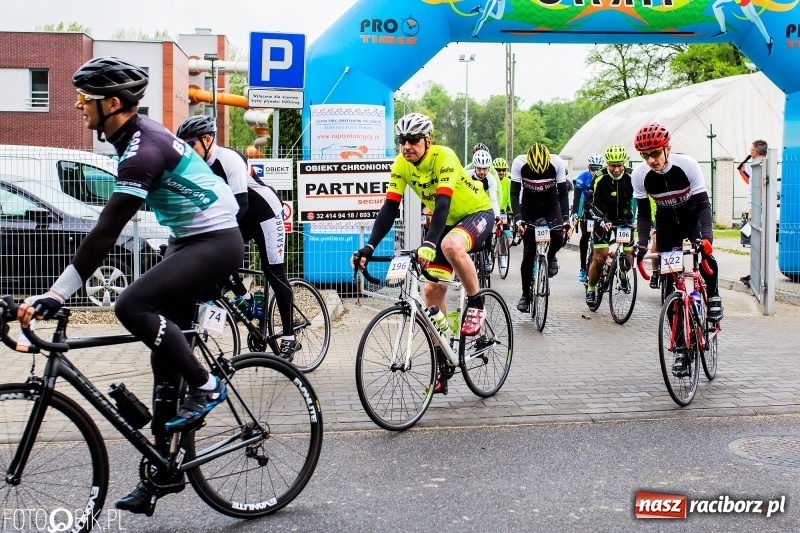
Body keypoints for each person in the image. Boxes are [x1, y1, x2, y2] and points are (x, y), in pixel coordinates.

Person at [16, 57, 245, 514]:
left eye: (85, 98)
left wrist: (57, 293)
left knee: (130, 305)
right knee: (163, 364)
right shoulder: (128, 140)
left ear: (113, 104)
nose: (78, 105)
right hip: (187, 239)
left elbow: (106, 231)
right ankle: (162, 472)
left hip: (216, 241)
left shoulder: (144, 149)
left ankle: (207, 384)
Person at [353, 113, 494, 393]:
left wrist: (429, 243)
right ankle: (444, 359)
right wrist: (369, 247)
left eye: (413, 140)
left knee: (450, 245)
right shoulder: (401, 164)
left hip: (476, 213)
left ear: (428, 140)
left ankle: (476, 303)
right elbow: (389, 208)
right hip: (446, 224)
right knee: (431, 291)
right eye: (402, 140)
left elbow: (442, 205)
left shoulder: (445, 156)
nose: (407, 146)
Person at [175, 116, 299, 361]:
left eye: (190, 145)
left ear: (207, 140)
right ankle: (248, 300)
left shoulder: (228, 159)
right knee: (214, 260)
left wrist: (215, 233)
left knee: (273, 272)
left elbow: (240, 203)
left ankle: (289, 337)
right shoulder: (193, 167)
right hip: (240, 217)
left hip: (265, 213)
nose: (186, 151)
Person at [632, 122, 723, 328]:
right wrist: (643, 244)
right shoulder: (640, 175)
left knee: (704, 255)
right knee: (668, 283)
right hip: (667, 223)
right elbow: (644, 214)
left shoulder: (687, 164)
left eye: (655, 153)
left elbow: (703, 205)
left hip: (692, 217)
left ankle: (714, 295)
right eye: (645, 155)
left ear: (668, 148)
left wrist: (707, 237)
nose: (651, 160)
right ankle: (680, 336)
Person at [511, 143, 571, 312]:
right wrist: (518, 219)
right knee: (529, 252)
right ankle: (525, 295)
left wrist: (566, 219)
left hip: (551, 205)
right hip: (529, 207)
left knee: (558, 236)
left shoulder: (557, 162)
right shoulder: (519, 163)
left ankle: (551, 256)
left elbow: (563, 193)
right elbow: (514, 193)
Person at [584, 145, 634, 306]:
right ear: (607, 164)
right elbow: (591, 204)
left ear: (624, 163)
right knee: (601, 257)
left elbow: (643, 198)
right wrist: (602, 219)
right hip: (603, 219)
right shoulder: (599, 177)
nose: (616, 169)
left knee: (629, 256)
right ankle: (591, 288)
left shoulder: (632, 176)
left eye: (619, 165)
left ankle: (623, 274)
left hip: (625, 220)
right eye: (613, 166)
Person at [571, 153, 605, 283]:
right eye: (593, 168)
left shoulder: (604, 177)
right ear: (588, 167)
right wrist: (575, 213)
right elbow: (576, 197)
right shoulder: (583, 177)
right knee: (585, 236)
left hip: (600, 207)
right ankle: (582, 268)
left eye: (598, 168)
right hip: (587, 207)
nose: (595, 171)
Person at [493, 156, 513, 251]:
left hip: (503, 212)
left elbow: (510, 196)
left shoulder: (508, 182)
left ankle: (504, 253)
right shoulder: (491, 180)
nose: (501, 172)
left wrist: (511, 209)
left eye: (503, 170)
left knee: (507, 232)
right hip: (492, 211)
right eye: (498, 170)